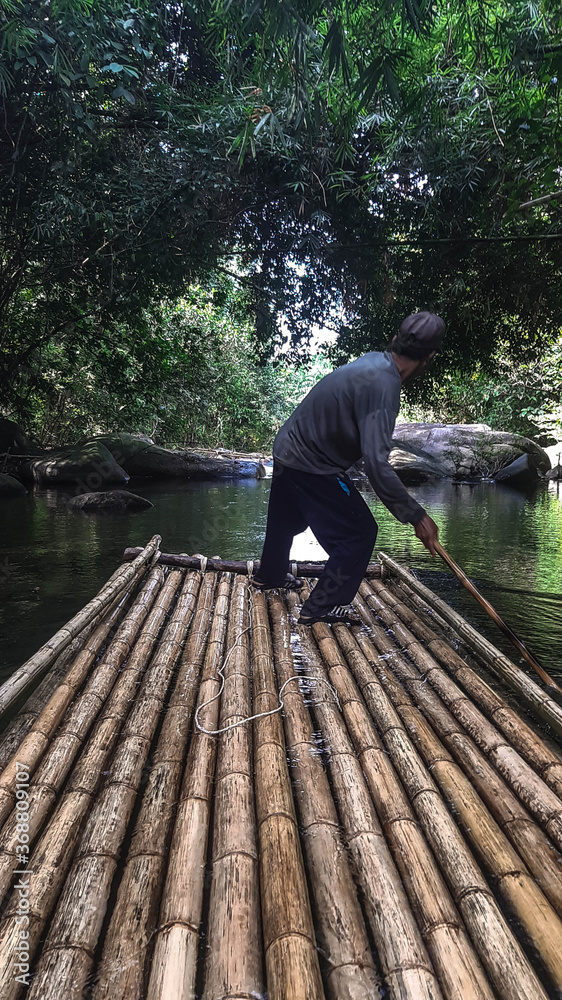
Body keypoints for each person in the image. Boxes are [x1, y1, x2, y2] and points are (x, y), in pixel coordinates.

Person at [252, 311, 444, 625]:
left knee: (286, 519)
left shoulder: (375, 361)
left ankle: (269, 575)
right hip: (311, 460)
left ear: (396, 340)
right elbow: (377, 466)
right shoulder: (385, 386)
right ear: (429, 358)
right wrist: (417, 516)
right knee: (359, 533)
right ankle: (323, 606)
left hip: (288, 447)